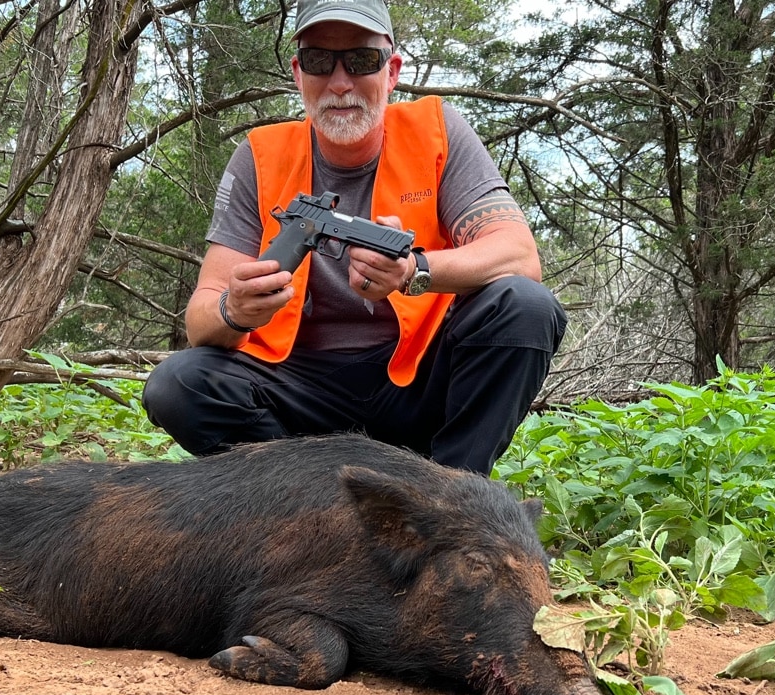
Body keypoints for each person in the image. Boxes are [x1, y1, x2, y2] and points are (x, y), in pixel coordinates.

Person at [142, 0, 566, 476]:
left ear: (392, 71)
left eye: (362, 60)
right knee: (177, 385)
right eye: (320, 61)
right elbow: (202, 321)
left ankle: (451, 496)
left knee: (525, 305)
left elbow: (518, 254)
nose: (340, 83)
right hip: (296, 387)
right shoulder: (260, 156)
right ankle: (307, 498)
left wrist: (414, 270)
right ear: (299, 73)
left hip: (416, 383)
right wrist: (233, 310)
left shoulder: (437, 132)